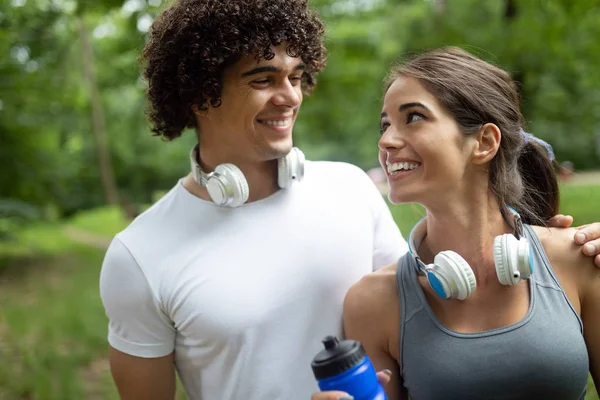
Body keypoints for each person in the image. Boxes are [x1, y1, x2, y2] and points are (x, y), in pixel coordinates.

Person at [98, 1, 600, 398]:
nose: (291, 96)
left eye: (296, 77)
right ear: (198, 91)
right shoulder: (139, 255)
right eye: (263, 79)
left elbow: (427, 304)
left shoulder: (347, 188)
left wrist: (537, 243)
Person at [330, 47, 600, 400]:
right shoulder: (371, 302)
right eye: (385, 125)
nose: (385, 141)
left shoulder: (577, 257)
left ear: (484, 143)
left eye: (413, 117)